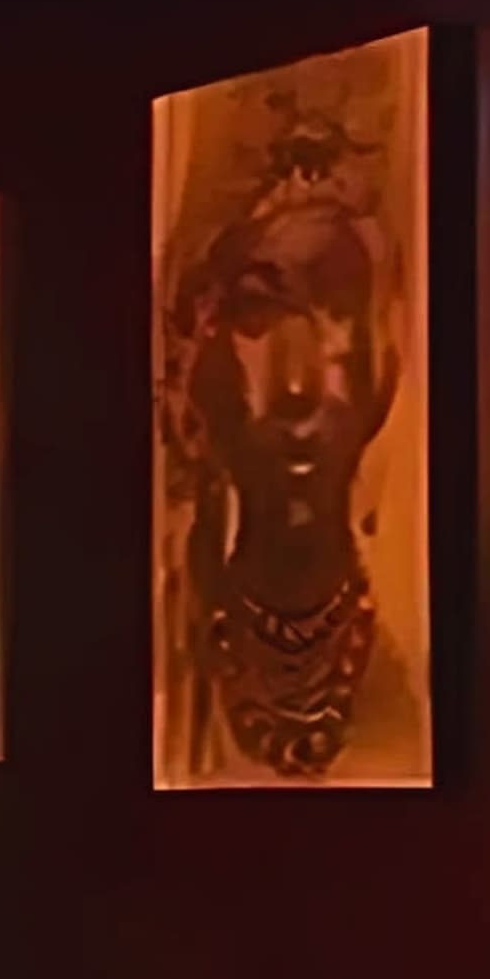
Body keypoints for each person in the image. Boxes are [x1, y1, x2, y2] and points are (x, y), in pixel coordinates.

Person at [157, 89, 425, 784]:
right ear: (194, 359)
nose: (300, 387)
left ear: (387, 366)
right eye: (258, 314)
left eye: (338, 309)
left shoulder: (408, 690)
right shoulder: (171, 671)